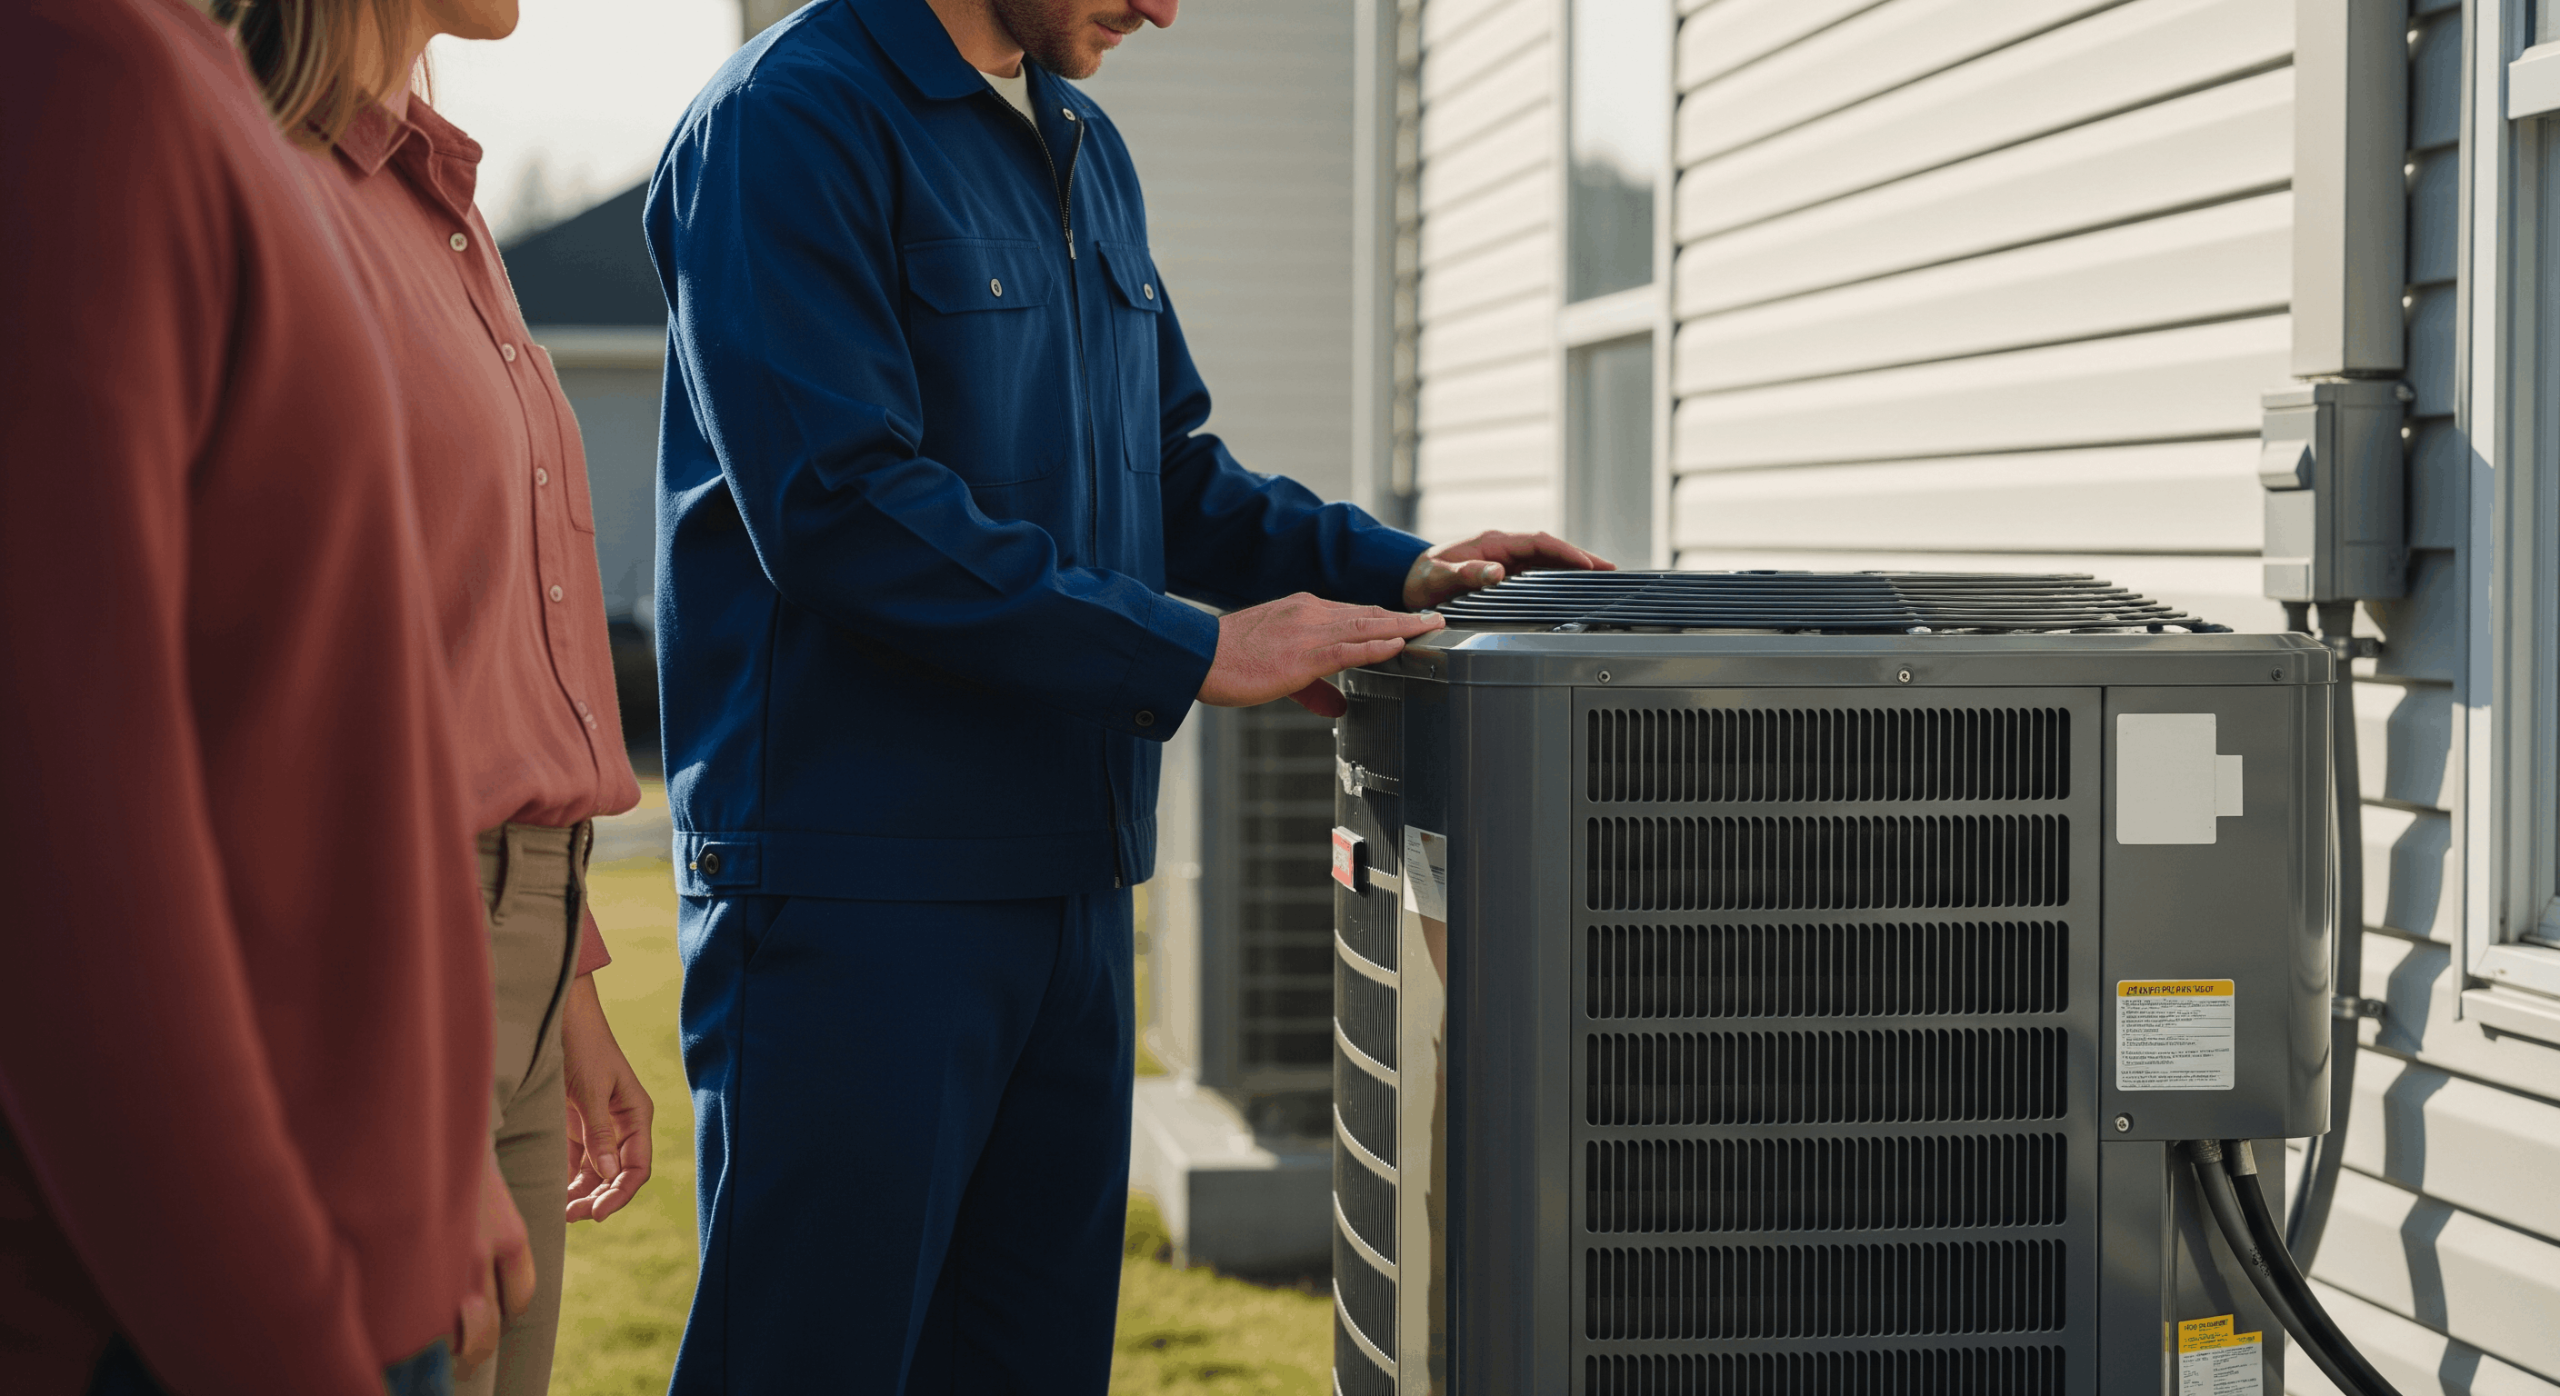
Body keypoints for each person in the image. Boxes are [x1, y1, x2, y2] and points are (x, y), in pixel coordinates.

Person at [645, 0, 1609, 1388]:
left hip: (1074, 895)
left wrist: (1405, 573)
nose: (1163, 5)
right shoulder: (784, 122)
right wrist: (1192, 651)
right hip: (857, 901)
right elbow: (838, 505)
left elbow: (1165, 473)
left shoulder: (1081, 140)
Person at [0, 0, 513, 1392]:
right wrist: (283, 1339)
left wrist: (422, 1154)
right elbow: (69, 848)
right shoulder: (82, 82)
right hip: (197, 1322)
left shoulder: (167, 82)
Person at [222, 1, 661, 1392]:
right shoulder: (268, 188)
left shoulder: (441, 209)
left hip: (523, 966)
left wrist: (571, 995)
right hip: (384, 964)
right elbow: (279, 697)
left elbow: (465, 648)